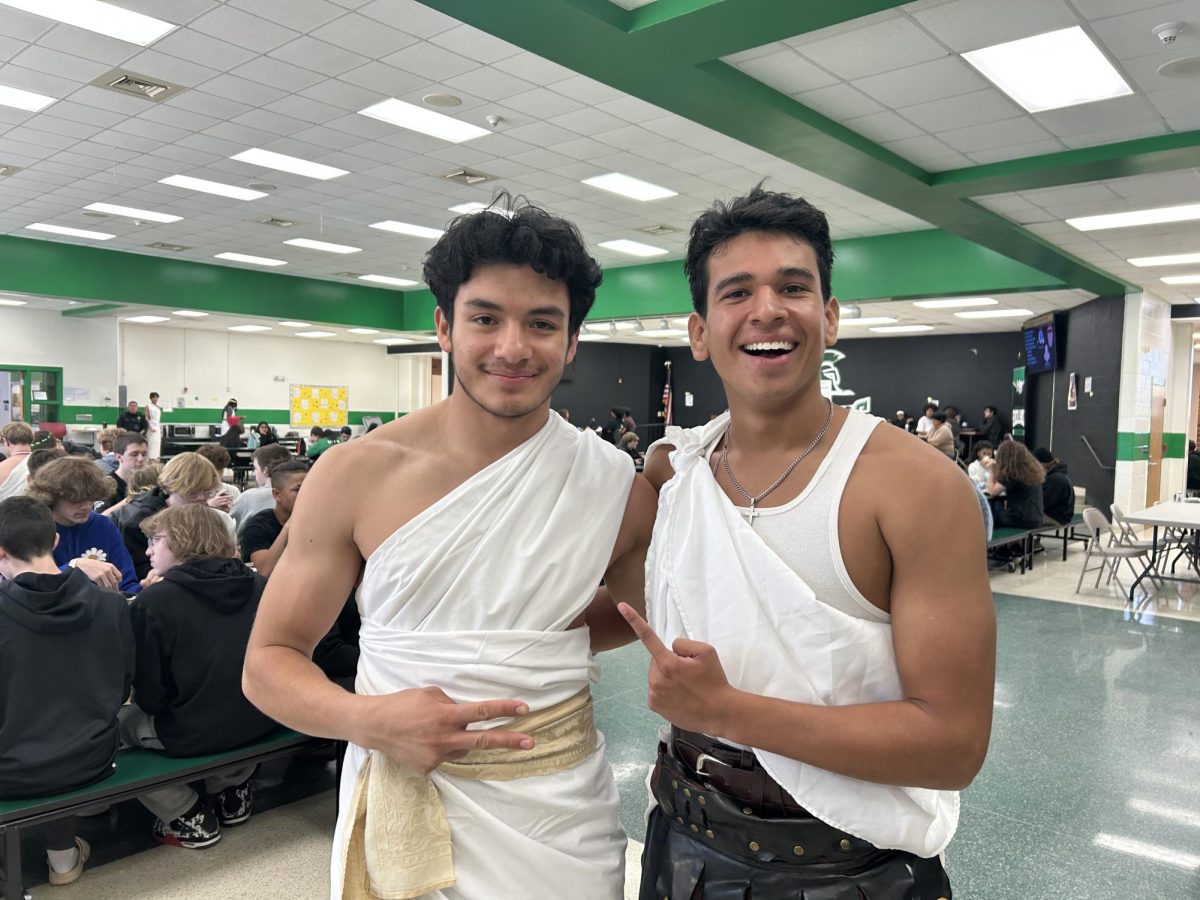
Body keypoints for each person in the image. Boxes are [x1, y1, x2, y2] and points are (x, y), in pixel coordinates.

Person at [243, 198, 656, 900]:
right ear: (444, 326)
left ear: (573, 339)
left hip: (557, 815)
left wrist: (528, 642)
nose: (513, 347)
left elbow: (648, 614)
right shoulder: (356, 472)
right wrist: (368, 719)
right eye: (485, 318)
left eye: (542, 323)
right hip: (401, 781)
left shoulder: (614, 482)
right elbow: (268, 663)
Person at [626, 186, 993, 898]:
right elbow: (609, 602)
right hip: (682, 843)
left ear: (828, 317)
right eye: (737, 292)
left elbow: (953, 746)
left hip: (850, 870)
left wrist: (726, 709)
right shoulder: (677, 470)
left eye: (792, 287)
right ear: (700, 332)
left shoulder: (914, 488)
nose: (767, 309)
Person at [122, 504, 277, 849]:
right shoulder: (259, 584)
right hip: (261, 717)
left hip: (193, 733)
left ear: (179, 542)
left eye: (155, 540)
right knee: (222, 696)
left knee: (113, 726)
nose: (147, 550)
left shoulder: (156, 601)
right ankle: (231, 789)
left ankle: (184, 812)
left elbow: (152, 697)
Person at [0, 496, 133, 889]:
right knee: (57, 730)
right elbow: (122, 686)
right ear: (56, 542)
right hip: (91, 756)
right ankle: (62, 857)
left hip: (10, 770)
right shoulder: (112, 605)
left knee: (28, 734)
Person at [114, 452, 234, 581]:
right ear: (172, 487)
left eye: (207, 492)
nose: (201, 498)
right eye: (192, 492)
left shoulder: (205, 515)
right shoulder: (140, 520)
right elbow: (138, 570)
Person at [29, 456, 141, 594]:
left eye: (91, 498)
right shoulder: (32, 529)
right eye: (76, 499)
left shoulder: (103, 525)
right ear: (52, 496)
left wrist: (146, 590)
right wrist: (73, 567)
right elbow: (23, 583)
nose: (87, 507)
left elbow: (127, 583)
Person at [240, 459, 309, 579]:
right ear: (277, 495)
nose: (306, 494)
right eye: (298, 490)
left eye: (309, 488)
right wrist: (291, 523)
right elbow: (265, 571)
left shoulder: (317, 522)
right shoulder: (258, 526)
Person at [232, 443, 292, 533]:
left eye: (255, 468)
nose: (253, 473)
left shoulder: (248, 497)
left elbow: (230, 528)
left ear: (265, 470)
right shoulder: (298, 495)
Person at [986, 441, 1045, 529]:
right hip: (1037, 519)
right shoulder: (1029, 470)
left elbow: (992, 491)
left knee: (990, 513)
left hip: (1021, 519)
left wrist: (991, 470)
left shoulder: (1013, 473)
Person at [98, 431, 150, 515]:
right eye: (134, 454)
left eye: (144, 454)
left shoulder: (150, 482)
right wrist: (133, 498)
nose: (141, 459)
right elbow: (100, 517)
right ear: (119, 457)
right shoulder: (106, 484)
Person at [1033, 447, 1074, 526]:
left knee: (1025, 518)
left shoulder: (1056, 480)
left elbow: (1040, 504)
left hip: (1057, 519)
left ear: (1042, 464)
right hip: (1061, 517)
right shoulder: (1060, 476)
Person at [194, 443, 240, 511]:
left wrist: (231, 511)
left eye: (221, 470)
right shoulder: (191, 492)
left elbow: (239, 519)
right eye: (212, 472)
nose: (218, 476)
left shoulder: (232, 491)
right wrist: (208, 506)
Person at [0, 421, 33, 499]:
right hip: (39, 510)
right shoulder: (45, 463)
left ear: (6, 441)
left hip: (6, 510)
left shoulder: (1, 467)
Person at [147, 391, 162, 460]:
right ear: (151, 398)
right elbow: (146, 418)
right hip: (151, 427)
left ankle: (156, 459)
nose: (155, 399)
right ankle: (150, 459)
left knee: (157, 444)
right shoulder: (148, 406)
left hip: (157, 427)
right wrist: (150, 427)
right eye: (154, 397)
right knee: (151, 444)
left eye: (156, 397)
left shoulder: (158, 407)